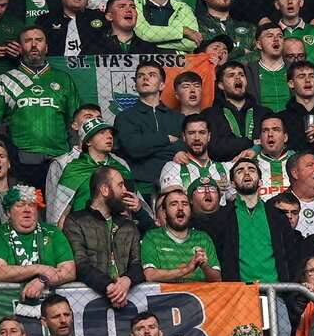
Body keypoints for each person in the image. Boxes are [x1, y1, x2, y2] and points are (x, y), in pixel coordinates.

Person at [0, 26, 80, 188]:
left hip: (59, 159)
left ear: (46, 47)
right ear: (20, 46)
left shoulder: (64, 79)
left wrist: (72, 155)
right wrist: (11, 151)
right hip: (21, 161)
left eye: (39, 40)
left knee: (58, 211)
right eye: (28, 41)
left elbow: (74, 121)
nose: (33, 45)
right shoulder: (5, 80)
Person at [63, 166, 143, 306]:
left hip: (128, 300)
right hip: (88, 302)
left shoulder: (128, 225)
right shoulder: (76, 221)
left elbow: (137, 263)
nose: (125, 190)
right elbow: (80, 264)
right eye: (120, 185)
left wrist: (127, 280)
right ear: (105, 190)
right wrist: (110, 287)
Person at [112, 62, 185, 194]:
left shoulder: (178, 118)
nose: (145, 78)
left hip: (176, 182)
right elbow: (133, 148)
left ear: (162, 85)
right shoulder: (124, 117)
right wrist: (167, 139)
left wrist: (147, 146)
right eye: (140, 76)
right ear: (136, 85)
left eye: (152, 75)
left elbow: (185, 146)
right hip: (140, 185)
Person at [54, 117, 134, 221]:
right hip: (81, 230)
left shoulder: (120, 168)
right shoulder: (74, 169)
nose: (109, 136)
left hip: (116, 229)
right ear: (87, 141)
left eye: (110, 133)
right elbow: (62, 212)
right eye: (102, 132)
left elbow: (130, 207)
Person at [141, 189, 222, 282]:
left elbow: (217, 279)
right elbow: (150, 275)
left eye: (185, 204)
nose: (180, 208)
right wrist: (187, 269)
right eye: (174, 204)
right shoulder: (152, 237)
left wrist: (205, 266)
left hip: (200, 295)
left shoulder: (203, 237)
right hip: (169, 295)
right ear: (164, 212)